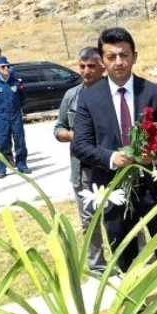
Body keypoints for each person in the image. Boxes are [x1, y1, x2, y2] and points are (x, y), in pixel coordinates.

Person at [73, 27, 157, 271]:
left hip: (155, 188)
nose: (119, 62)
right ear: (102, 60)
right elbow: (81, 145)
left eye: (124, 55)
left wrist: (154, 153)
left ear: (134, 56)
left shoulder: (153, 91)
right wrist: (111, 158)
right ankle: (138, 306)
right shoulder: (89, 98)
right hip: (114, 190)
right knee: (126, 261)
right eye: (111, 57)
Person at [54, 47, 107, 271]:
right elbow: (58, 129)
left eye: (91, 66)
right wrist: (75, 135)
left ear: (101, 66)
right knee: (89, 221)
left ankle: (132, 259)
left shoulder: (111, 92)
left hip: (110, 166)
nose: (86, 71)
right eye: (82, 66)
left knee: (121, 217)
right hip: (83, 170)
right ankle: (97, 267)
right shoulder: (72, 96)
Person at [0, 56, 28, 177]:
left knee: (19, 140)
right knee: (1, 142)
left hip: (15, 114)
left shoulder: (16, 82)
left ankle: (21, 165)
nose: (6, 68)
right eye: (3, 66)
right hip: (0, 116)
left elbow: (22, 99)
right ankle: (1, 168)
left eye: (7, 66)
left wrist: (17, 108)